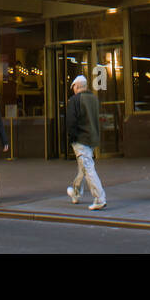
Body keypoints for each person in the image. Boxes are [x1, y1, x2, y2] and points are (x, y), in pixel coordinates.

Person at [65, 74, 106, 210]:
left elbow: (71, 121)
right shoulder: (94, 99)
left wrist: (72, 138)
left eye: (73, 87)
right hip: (92, 138)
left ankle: (99, 198)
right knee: (83, 168)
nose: (73, 89)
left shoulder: (74, 100)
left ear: (77, 86)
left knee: (87, 168)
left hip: (81, 139)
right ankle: (76, 193)